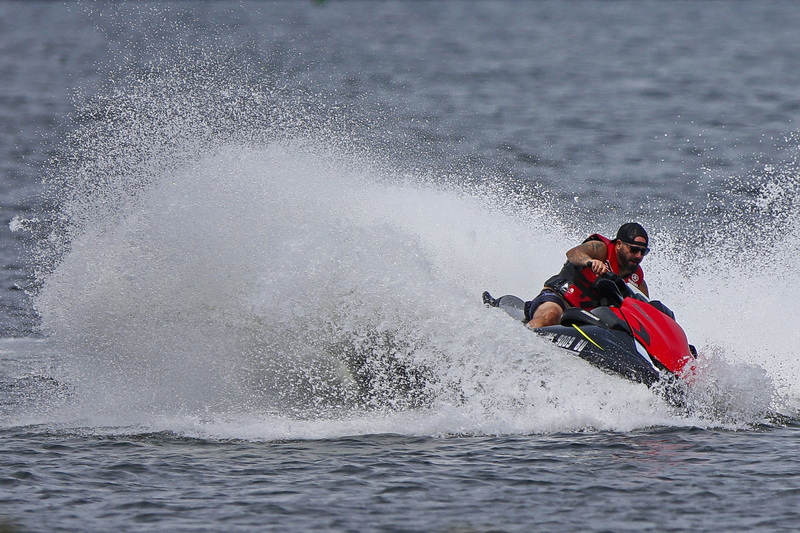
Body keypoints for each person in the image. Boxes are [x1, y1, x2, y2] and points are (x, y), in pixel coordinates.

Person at [525, 222, 651, 328]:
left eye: (643, 251)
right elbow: (573, 253)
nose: (638, 256)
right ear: (618, 245)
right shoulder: (600, 249)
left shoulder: (637, 281)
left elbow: (643, 312)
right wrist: (590, 262)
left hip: (589, 317)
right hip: (561, 299)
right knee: (551, 314)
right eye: (633, 250)